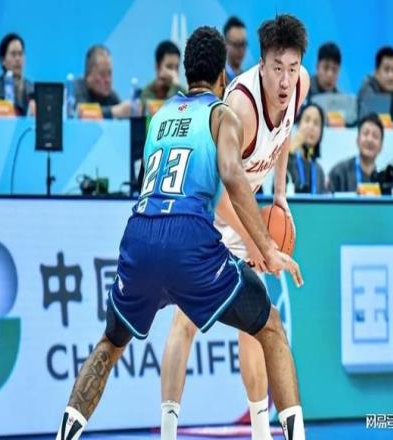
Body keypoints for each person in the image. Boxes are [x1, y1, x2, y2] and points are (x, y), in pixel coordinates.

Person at [56, 26, 305, 440]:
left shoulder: (159, 117)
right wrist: (266, 245)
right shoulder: (223, 114)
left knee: (110, 344)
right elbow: (232, 176)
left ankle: (68, 434)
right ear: (223, 76)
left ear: (186, 72)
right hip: (189, 240)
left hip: (139, 235)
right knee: (270, 328)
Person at [160, 14, 309, 440]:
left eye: (292, 68)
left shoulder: (300, 84)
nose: (285, 79)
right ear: (261, 65)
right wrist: (255, 241)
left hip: (246, 210)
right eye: (277, 68)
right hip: (205, 210)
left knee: (257, 325)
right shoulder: (240, 108)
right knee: (185, 321)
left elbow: (285, 131)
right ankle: (167, 431)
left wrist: (279, 194)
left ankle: (261, 431)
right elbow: (218, 191)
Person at [357, 46, 393, 128]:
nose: (391, 76)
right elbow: (373, 123)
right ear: (376, 72)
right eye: (386, 70)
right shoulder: (367, 87)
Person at [328, 113, 384, 192]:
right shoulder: (339, 173)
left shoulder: (383, 179)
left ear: (381, 146)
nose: (369, 140)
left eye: (375, 136)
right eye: (365, 133)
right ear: (357, 140)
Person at [74, 45, 131, 119]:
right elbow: (81, 112)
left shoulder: (111, 96)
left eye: (109, 73)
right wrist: (114, 112)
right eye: (102, 74)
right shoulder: (76, 89)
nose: (108, 80)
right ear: (89, 75)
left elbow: (124, 115)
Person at [0, 33, 34, 116]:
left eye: (20, 54)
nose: (18, 59)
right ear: (2, 60)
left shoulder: (32, 89)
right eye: (13, 54)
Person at [288, 103, 326, 194]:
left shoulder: (319, 171)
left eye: (316, 123)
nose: (311, 127)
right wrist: (290, 149)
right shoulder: (286, 159)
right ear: (298, 125)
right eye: (307, 120)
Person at [141, 40, 186, 113]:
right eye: (169, 67)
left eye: (176, 67)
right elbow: (165, 114)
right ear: (158, 67)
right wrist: (174, 87)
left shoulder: (182, 92)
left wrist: (175, 87)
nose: (174, 73)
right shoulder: (147, 92)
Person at [223, 16, 247, 84]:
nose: (240, 50)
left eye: (243, 44)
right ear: (225, 44)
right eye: (236, 44)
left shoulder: (248, 80)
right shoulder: (219, 80)